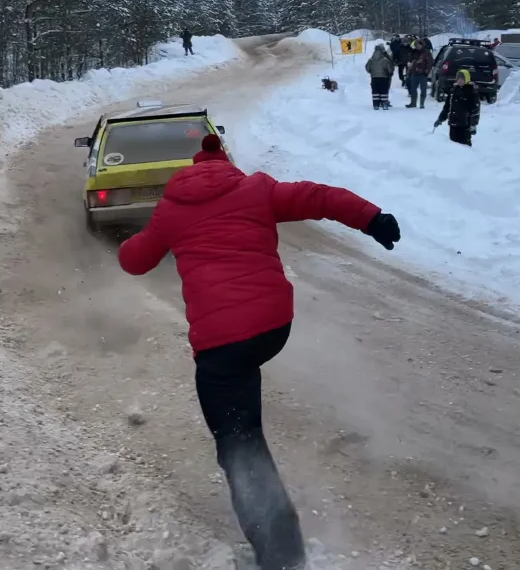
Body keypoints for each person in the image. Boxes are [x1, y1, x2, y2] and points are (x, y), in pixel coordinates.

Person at [118, 134, 401, 570]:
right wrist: (372, 218)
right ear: (226, 163)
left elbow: (135, 261)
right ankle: (278, 537)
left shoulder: (171, 210)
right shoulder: (255, 188)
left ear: (188, 173)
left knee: (238, 443)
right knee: (242, 392)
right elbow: (317, 196)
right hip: (272, 326)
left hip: (221, 344)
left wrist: (129, 243)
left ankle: (282, 554)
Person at [434, 68, 480, 145]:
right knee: (453, 145)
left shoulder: (471, 92)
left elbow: (475, 110)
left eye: (462, 79)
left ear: (467, 79)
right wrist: (440, 119)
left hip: (465, 125)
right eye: (458, 79)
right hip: (453, 123)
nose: (460, 81)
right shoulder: (453, 91)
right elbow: (447, 107)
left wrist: (473, 125)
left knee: (464, 145)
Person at [365, 42, 394, 109]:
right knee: (384, 91)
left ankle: (376, 105)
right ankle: (384, 104)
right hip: (384, 77)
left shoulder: (371, 60)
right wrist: (389, 73)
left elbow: (367, 68)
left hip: (374, 77)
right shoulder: (385, 60)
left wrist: (371, 72)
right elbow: (390, 68)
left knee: (375, 91)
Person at [406, 39, 433, 108]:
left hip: (423, 74)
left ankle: (422, 104)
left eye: (418, 45)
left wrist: (427, 71)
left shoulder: (427, 53)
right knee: (413, 89)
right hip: (414, 73)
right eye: (416, 45)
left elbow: (430, 63)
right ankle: (413, 103)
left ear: (422, 45)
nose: (417, 46)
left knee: (423, 89)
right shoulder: (414, 52)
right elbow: (410, 61)